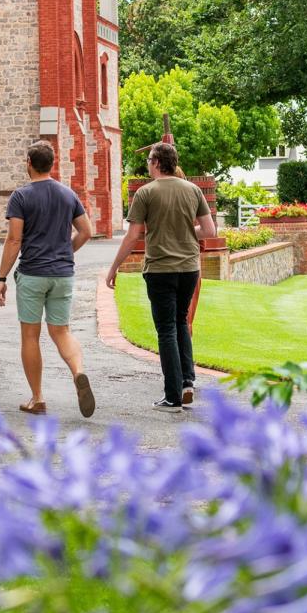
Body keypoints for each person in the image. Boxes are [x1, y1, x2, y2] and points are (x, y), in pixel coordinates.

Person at [106, 142, 216, 411]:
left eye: (148, 160)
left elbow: (133, 235)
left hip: (160, 269)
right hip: (189, 269)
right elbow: (209, 230)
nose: (147, 164)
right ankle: (187, 383)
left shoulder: (146, 193)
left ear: (155, 162)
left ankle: (172, 396)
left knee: (166, 329)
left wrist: (113, 268)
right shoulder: (192, 190)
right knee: (181, 323)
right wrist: (187, 234)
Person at [0, 140, 95, 418]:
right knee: (61, 331)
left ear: (29, 162)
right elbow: (86, 231)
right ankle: (79, 373)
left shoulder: (21, 196)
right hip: (62, 274)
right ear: (52, 164)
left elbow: (14, 239)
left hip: (33, 274)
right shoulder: (67, 194)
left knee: (30, 334)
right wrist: (66, 252)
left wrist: (1, 277)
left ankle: (37, 398)